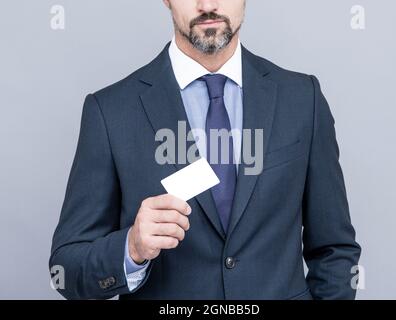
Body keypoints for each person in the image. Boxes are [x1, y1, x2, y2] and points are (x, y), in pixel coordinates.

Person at [50, 0, 361, 300]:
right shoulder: (110, 111)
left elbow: (335, 249)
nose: (208, 5)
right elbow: (66, 266)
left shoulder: (303, 99)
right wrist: (131, 248)